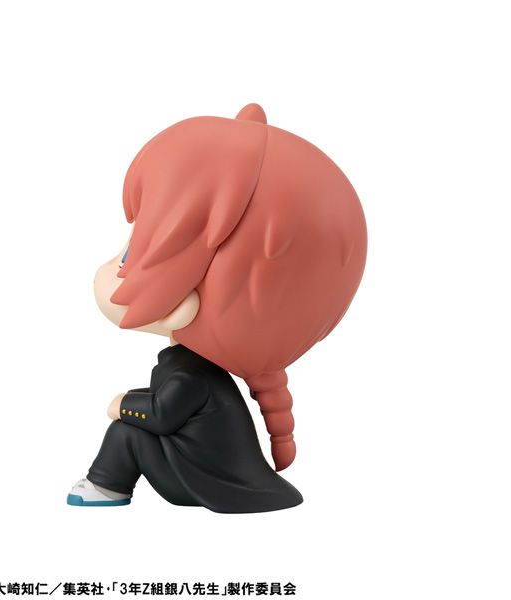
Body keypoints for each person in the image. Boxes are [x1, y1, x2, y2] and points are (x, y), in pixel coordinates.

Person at [67, 103, 367, 513]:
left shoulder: (192, 376)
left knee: (126, 433)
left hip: (201, 481)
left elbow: (161, 415)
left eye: (134, 253)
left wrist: (123, 404)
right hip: (200, 469)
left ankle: (105, 487)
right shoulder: (194, 371)